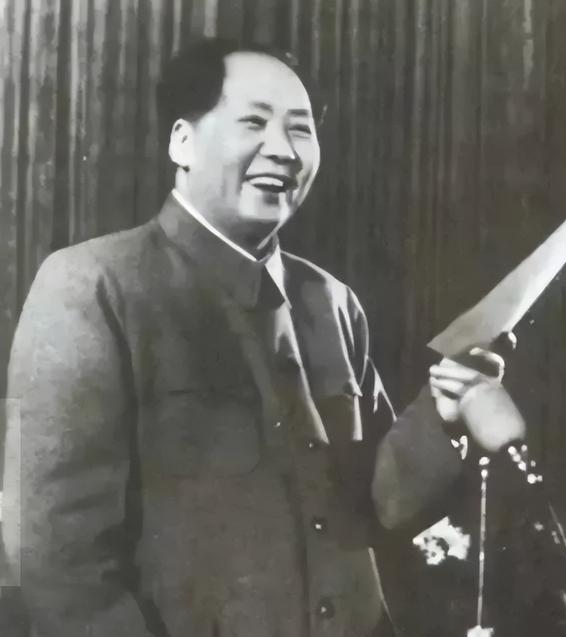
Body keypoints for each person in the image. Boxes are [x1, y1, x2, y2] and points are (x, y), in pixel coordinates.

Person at [2, 38, 524, 637]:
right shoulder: (94, 285)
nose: (284, 150)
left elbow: (373, 504)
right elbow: (55, 556)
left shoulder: (332, 301)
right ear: (182, 142)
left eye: (301, 129)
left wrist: (441, 414)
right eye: (254, 122)